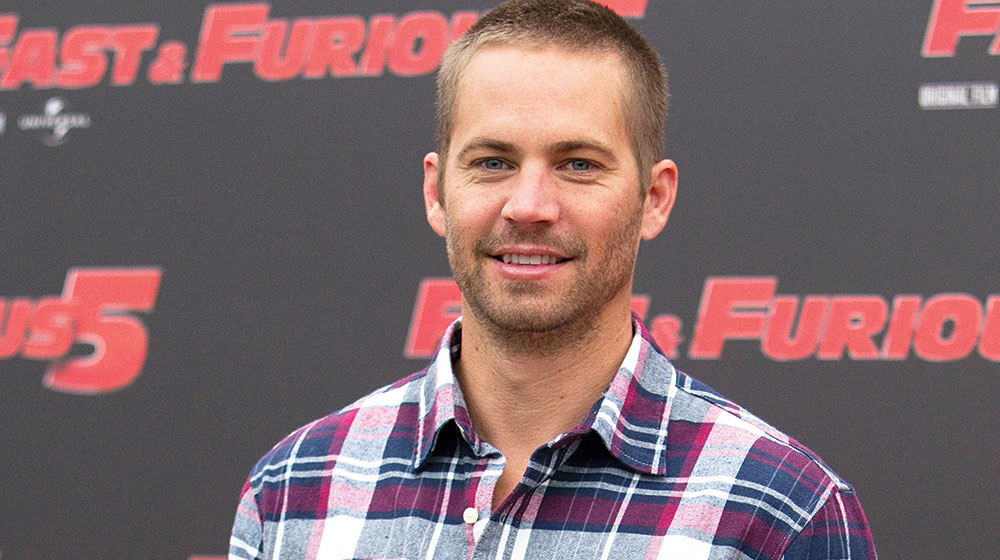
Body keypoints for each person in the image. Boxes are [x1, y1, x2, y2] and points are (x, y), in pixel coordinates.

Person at [229, 1, 877, 558]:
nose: (529, 206)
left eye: (578, 164)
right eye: (492, 162)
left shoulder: (781, 514)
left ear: (654, 198)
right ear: (436, 191)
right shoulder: (294, 492)